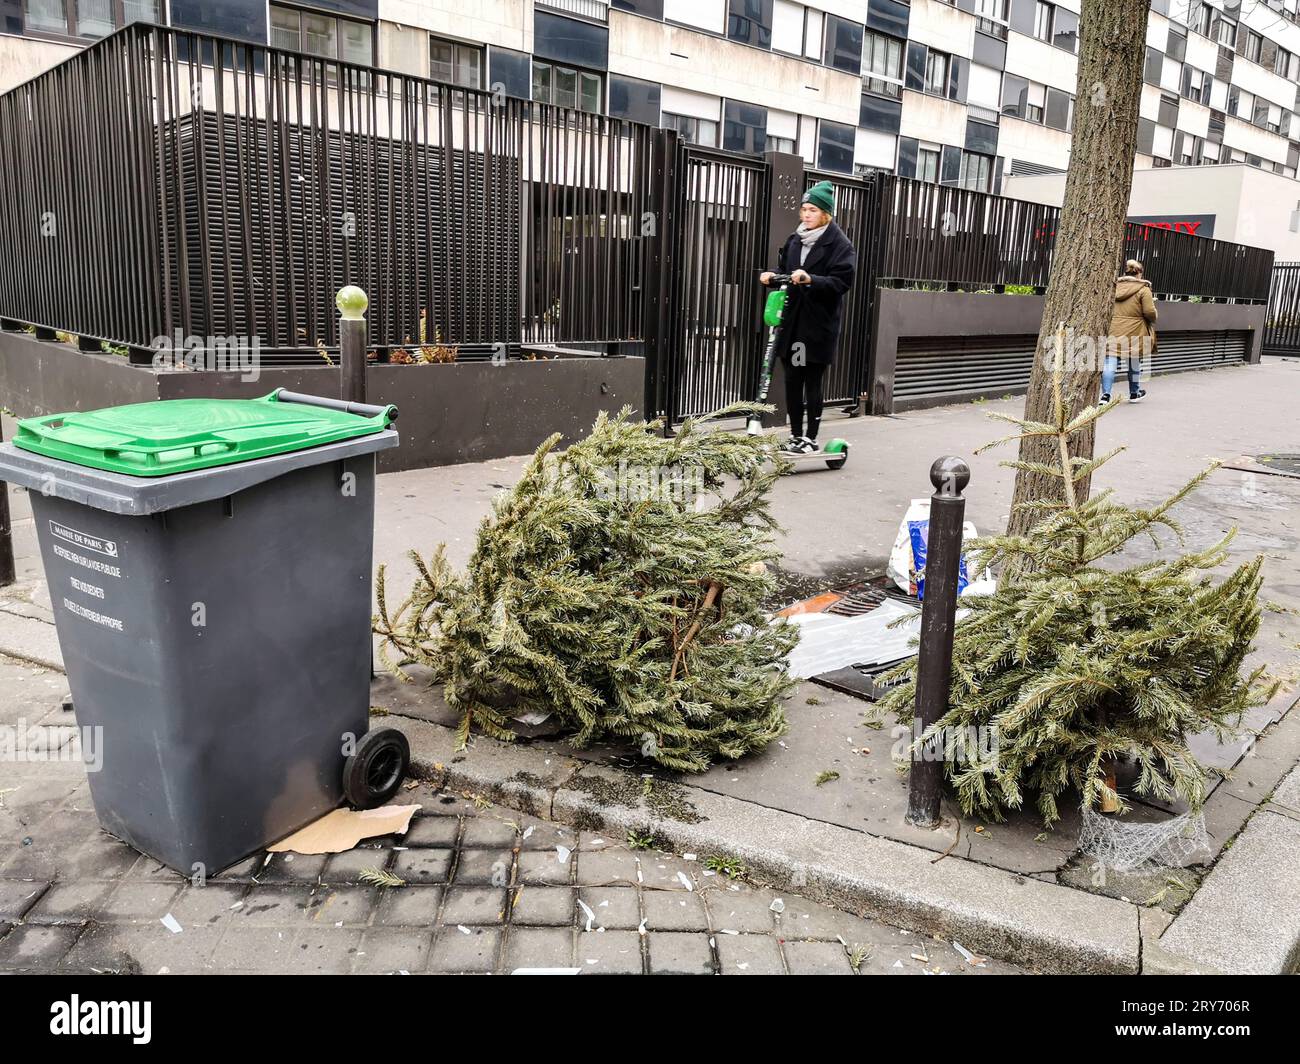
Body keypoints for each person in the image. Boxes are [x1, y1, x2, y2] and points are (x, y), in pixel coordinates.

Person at [760, 180, 856, 454]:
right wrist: (770, 277)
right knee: (792, 380)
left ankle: (810, 438)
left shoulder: (840, 244)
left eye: (812, 210)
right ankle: (795, 435)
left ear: (826, 213)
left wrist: (810, 278)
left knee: (812, 381)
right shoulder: (795, 239)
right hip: (792, 324)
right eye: (804, 209)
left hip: (817, 326)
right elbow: (784, 270)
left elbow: (842, 282)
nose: (806, 215)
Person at [1102, 259, 1156, 404]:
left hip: (1114, 329)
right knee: (1134, 363)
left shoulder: (1113, 287)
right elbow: (1150, 312)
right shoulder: (1144, 289)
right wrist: (1154, 315)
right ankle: (1134, 393)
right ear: (1139, 273)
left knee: (1109, 363)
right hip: (1135, 331)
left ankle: (1105, 396)